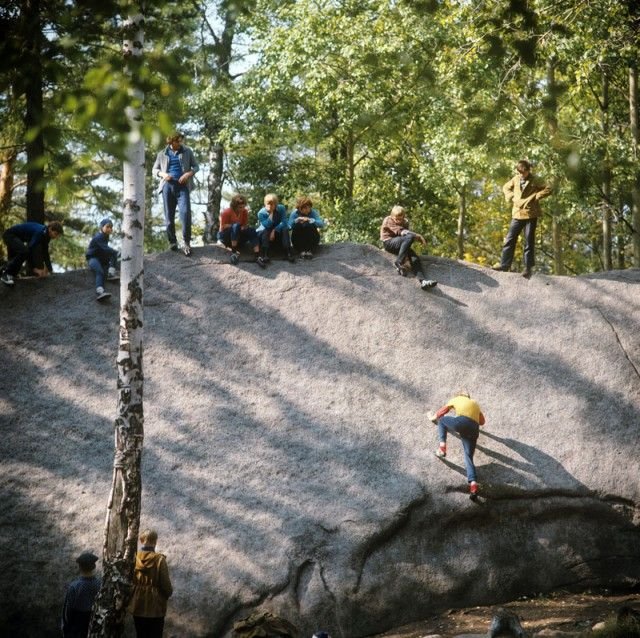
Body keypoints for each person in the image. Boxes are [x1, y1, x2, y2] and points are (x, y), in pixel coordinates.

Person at [494, 159, 552, 279]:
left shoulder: (536, 179)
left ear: (528, 171)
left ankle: (528, 268)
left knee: (529, 241)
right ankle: (504, 265)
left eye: (522, 173)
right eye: (518, 172)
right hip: (517, 214)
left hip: (531, 214)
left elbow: (549, 188)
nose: (520, 175)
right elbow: (505, 187)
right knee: (510, 239)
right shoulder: (515, 179)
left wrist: (536, 196)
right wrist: (511, 196)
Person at [427, 390, 486, 500]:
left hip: (461, 422)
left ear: (459, 395)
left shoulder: (456, 399)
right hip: (474, 429)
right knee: (468, 456)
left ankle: (442, 448)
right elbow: (482, 422)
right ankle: (473, 486)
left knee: (442, 421)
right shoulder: (475, 403)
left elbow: (442, 412)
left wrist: (432, 417)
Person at [152, 132, 199, 256]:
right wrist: (163, 174)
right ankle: (172, 242)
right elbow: (154, 169)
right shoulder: (162, 154)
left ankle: (186, 242)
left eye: (181, 141)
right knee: (169, 216)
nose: (180, 143)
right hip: (168, 186)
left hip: (183, 187)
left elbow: (196, 167)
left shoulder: (187, 151)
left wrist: (188, 174)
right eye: (177, 141)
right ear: (171, 142)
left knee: (185, 213)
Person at [380, 205, 437, 290]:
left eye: (401, 219)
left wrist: (407, 257)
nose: (399, 221)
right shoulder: (388, 220)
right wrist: (417, 236)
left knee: (415, 258)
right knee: (410, 236)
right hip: (389, 243)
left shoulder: (405, 222)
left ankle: (423, 281)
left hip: (400, 244)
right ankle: (399, 262)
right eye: (396, 219)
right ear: (392, 216)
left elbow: (405, 239)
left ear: (404, 216)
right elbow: (401, 232)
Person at [129, 529, 173, 638]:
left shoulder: (134, 558)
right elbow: (165, 584)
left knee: (141, 634)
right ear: (155, 541)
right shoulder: (159, 559)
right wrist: (167, 594)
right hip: (155, 606)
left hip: (138, 603)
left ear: (141, 540)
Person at [1, 220, 63, 286]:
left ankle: (8, 273)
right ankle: (6, 275)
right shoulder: (40, 232)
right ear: (50, 229)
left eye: (58, 235)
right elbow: (30, 249)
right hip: (9, 235)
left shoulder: (46, 236)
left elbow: (45, 253)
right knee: (24, 251)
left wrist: (50, 270)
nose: (56, 237)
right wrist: (34, 269)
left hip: (16, 239)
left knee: (15, 259)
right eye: (55, 234)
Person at [218, 194, 265, 268]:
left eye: (243, 207)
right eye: (240, 207)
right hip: (225, 236)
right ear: (234, 206)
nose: (242, 209)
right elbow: (223, 227)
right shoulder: (226, 212)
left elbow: (244, 225)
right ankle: (234, 252)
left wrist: (243, 227)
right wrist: (235, 226)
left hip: (238, 236)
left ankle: (257, 256)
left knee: (252, 230)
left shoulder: (244, 212)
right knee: (236, 226)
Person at [61, 551, 101, 638]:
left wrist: (65, 629)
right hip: (95, 626)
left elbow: (67, 613)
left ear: (80, 567)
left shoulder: (74, 587)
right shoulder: (100, 585)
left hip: (77, 628)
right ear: (94, 566)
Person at [86, 218, 119, 301]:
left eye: (111, 227)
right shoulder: (99, 237)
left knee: (113, 255)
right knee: (99, 271)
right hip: (93, 258)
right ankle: (100, 292)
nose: (110, 229)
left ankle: (111, 273)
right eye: (107, 227)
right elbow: (106, 249)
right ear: (101, 227)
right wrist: (117, 252)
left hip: (101, 258)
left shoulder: (105, 237)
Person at [256, 193, 295, 263]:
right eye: (268, 204)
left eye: (272, 204)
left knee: (285, 229)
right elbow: (267, 225)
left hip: (277, 232)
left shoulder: (281, 208)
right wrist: (271, 213)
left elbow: (284, 222)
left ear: (276, 204)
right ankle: (265, 255)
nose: (269, 206)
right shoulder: (261, 213)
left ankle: (288, 253)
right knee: (265, 230)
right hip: (266, 233)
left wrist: (274, 230)